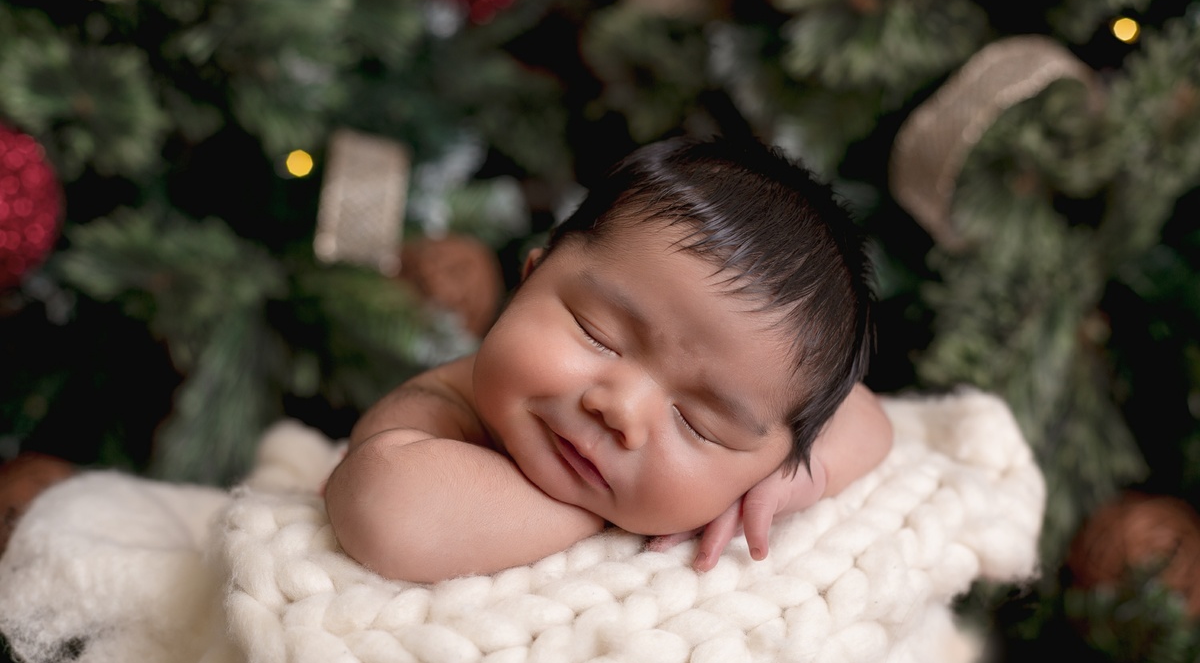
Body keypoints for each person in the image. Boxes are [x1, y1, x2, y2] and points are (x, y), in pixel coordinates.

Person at [324, 135, 894, 583]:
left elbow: (866, 416)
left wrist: (799, 477)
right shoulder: (437, 409)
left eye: (699, 422)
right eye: (598, 335)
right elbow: (387, 510)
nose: (621, 409)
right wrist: (606, 519)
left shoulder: (771, 431)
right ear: (528, 279)